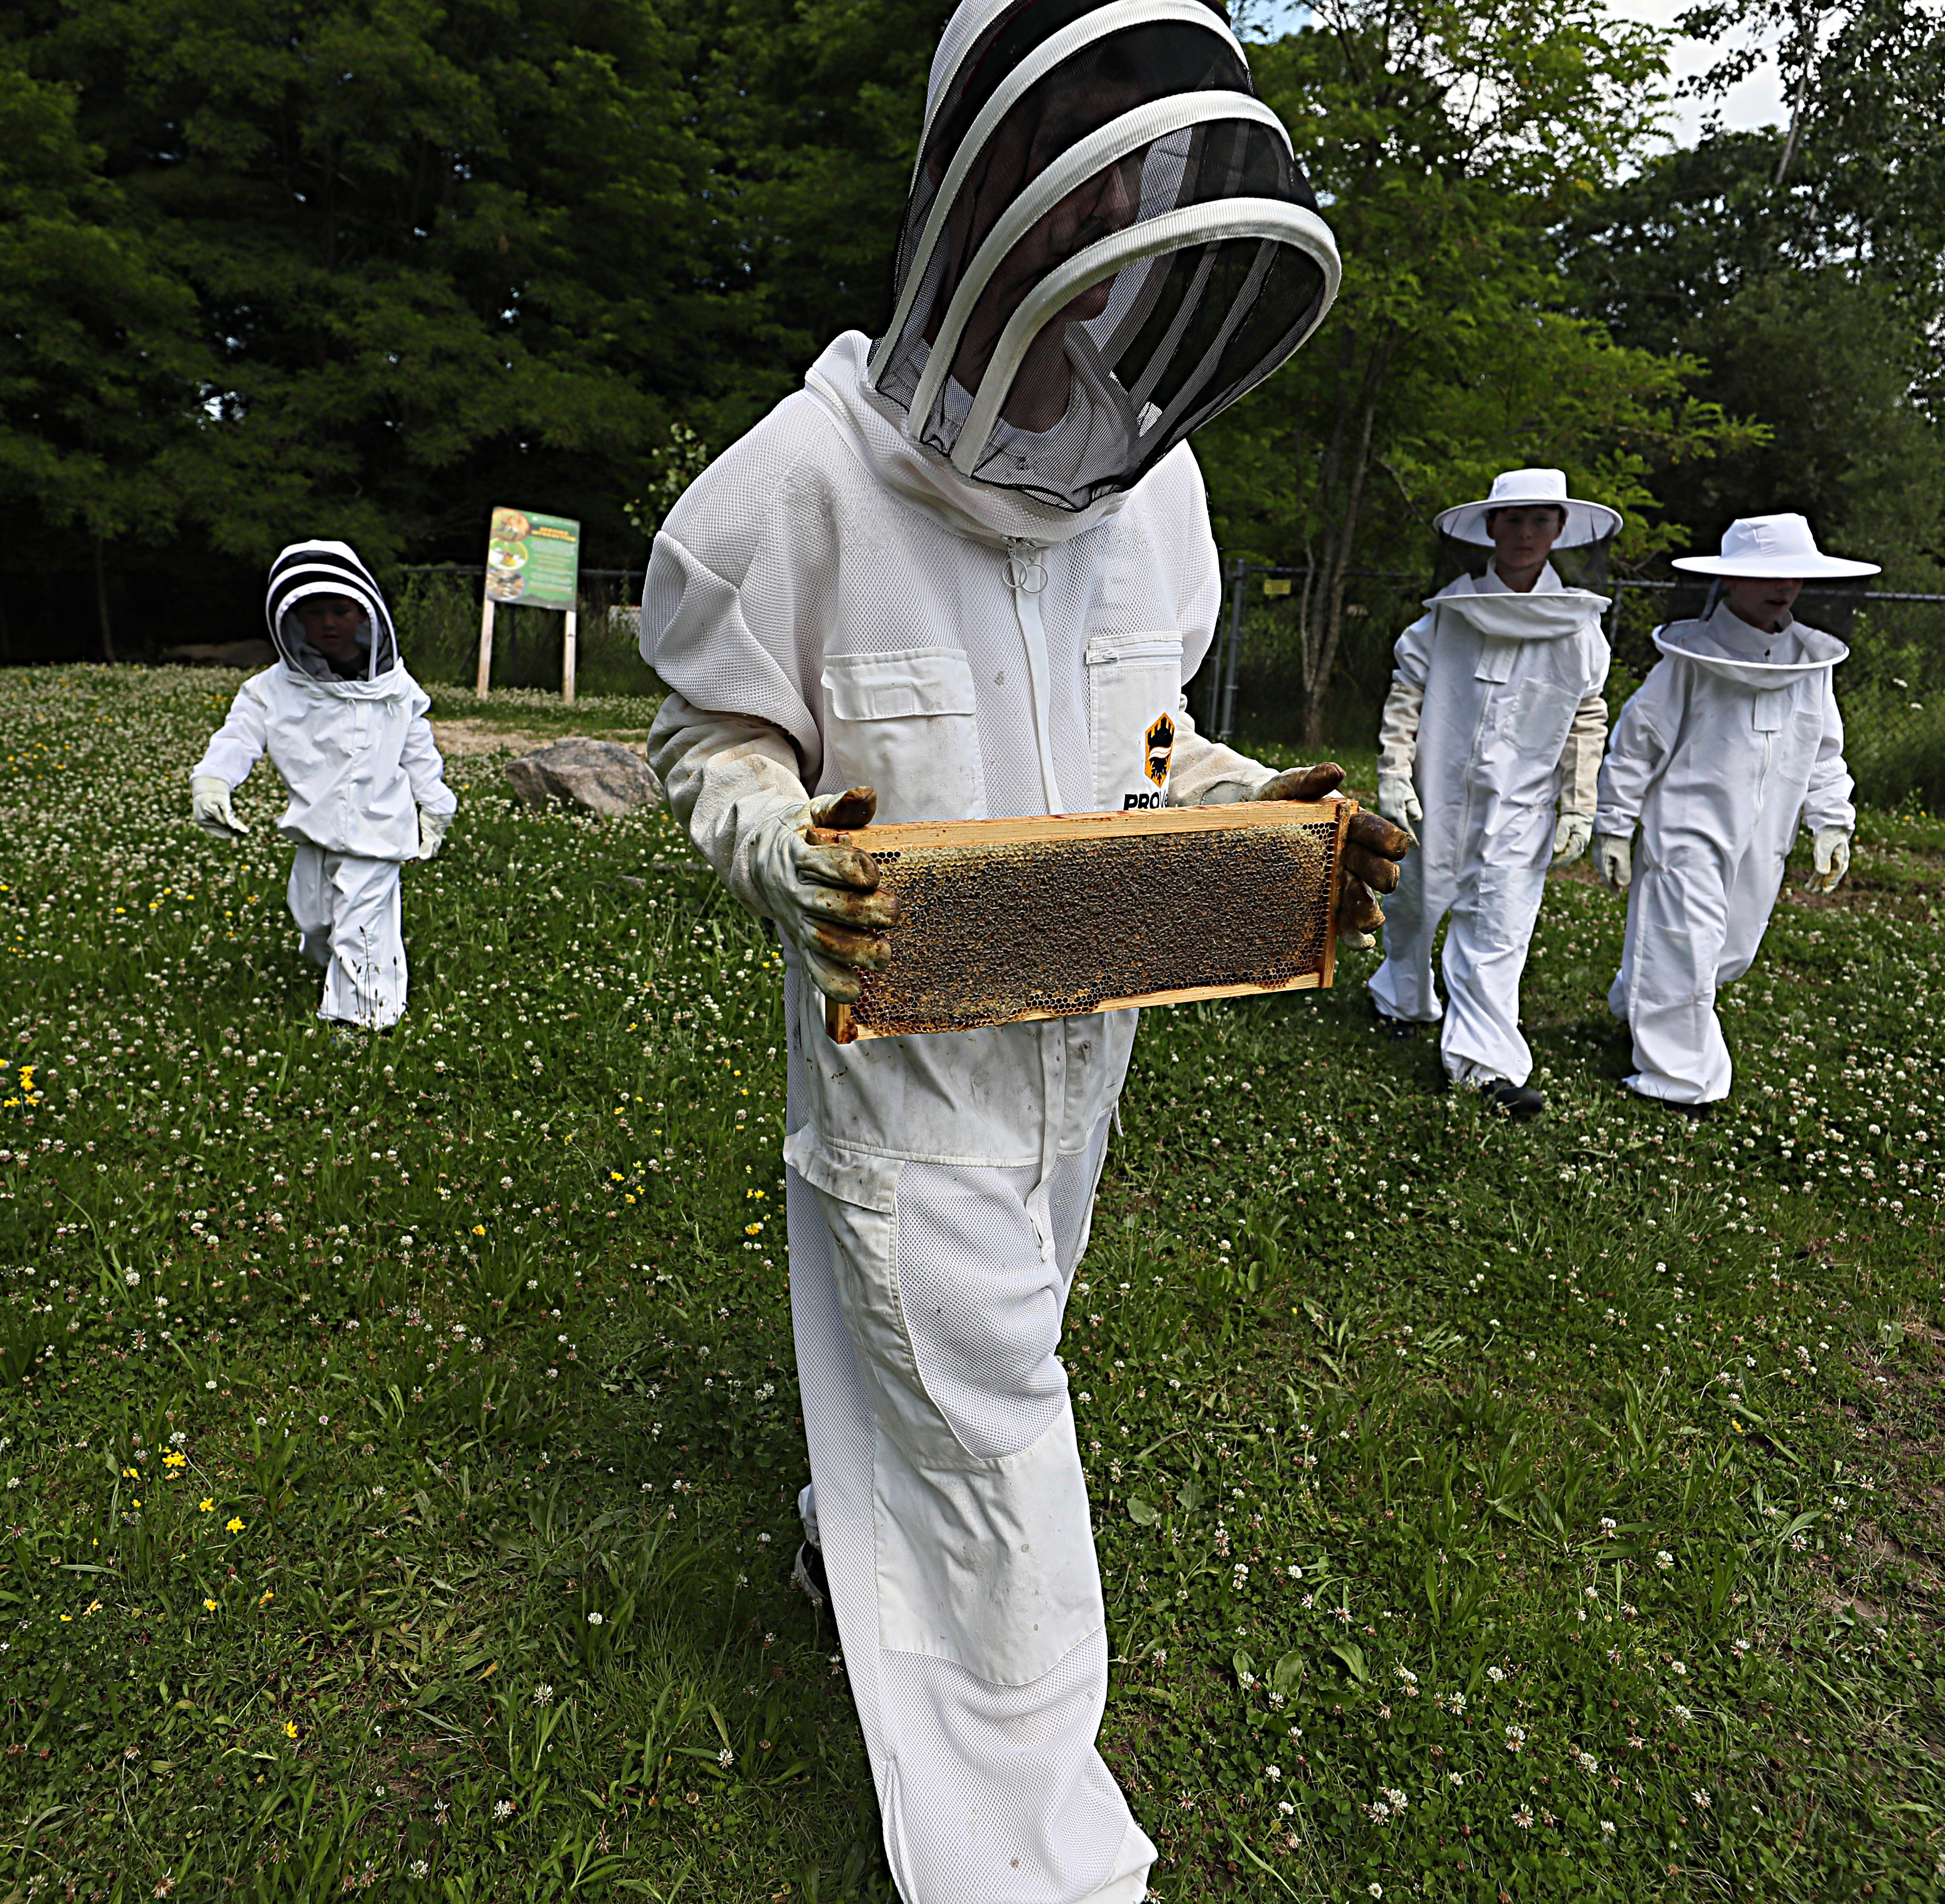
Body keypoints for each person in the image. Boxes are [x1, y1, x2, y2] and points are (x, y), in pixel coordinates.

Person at [639, 2, 1404, 1897]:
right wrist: (768, 835)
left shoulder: (1159, 492)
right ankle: (1034, 1855)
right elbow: (707, 736)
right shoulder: (786, 493)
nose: (1102, 196)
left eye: (1128, 150)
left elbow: (1147, 744)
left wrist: (1266, 827)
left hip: (1082, 1045)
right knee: (997, 1422)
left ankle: (851, 1517)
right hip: (902, 1070)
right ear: (964, 171)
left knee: (980, 1346)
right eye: (1066, 136)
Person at [1592, 513, 1869, 1115]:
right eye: (1766, 575)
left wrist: (1832, 821)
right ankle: (1683, 1081)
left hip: (1766, 835)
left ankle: (1644, 1000)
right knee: (1683, 942)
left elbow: (1824, 751)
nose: (1783, 587)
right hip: (1687, 828)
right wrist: (1615, 822)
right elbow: (1638, 743)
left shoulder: (1810, 664)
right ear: (1730, 580)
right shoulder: (1688, 659)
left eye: (1794, 577)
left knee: (1730, 949)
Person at [1368, 468, 1617, 1121]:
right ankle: (1402, 998)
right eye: (1513, 520)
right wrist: (1395, 770)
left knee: (1499, 929)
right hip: (1436, 795)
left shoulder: (1579, 629)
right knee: (1415, 909)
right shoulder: (1446, 618)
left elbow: (1587, 717)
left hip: (1523, 806)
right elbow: (1408, 696)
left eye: (1540, 521)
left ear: (1560, 530)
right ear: (1490, 528)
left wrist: (1579, 801)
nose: (1526, 534)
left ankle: (1487, 1067)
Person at [188, 541, 456, 1031]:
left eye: (340, 610)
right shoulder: (272, 690)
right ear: (290, 619)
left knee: (364, 927)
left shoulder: (395, 688)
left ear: (365, 613)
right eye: (315, 614)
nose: (329, 623)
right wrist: (213, 781)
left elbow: (418, 750)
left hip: (378, 830)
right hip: (313, 829)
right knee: (314, 919)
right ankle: (331, 958)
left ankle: (363, 1021)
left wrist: (436, 805)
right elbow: (238, 737)